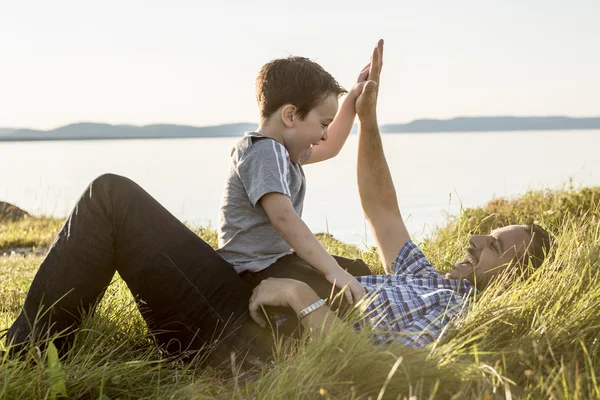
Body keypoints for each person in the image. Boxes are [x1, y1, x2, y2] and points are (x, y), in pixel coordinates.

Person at [4, 39, 552, 369]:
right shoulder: (426, 277)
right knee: (112, 193)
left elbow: (378, 365)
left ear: (510, 279)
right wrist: (366, 113)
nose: (480, 237)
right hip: (249, 298)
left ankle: (24, 360)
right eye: (491, 232)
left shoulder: (453, 311)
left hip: (263, 334)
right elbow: (382, 208)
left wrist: (300, 294)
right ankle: (33, 354)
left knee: (109, 199)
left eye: (498, 246)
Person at [217, 47, 376, 308]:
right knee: (337, 292)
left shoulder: (283, 151)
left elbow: (330, 147)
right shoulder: (264, 152)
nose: (324, 134)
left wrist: (353, 97)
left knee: (357, 271)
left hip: (274, 261)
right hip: (251, 273)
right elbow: (284, 217)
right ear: (290, 116)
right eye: (323, 124)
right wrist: (332, 270)